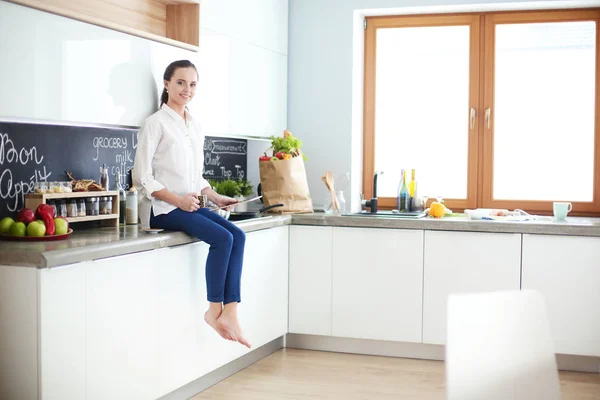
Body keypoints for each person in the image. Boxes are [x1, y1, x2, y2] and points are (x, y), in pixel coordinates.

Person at [133, 60, 251, 348]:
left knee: (238, 235)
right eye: (181, 83)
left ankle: (231, 310)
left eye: (193, 84)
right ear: (167, 84)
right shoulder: (155, 123)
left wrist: (215, 196)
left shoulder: (194, 125)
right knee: (223, 238)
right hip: (163, 210)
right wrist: (177, 200)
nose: (187, 89)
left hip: (189, 206)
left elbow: (194, 176)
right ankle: (214, 311)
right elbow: (142, 176)